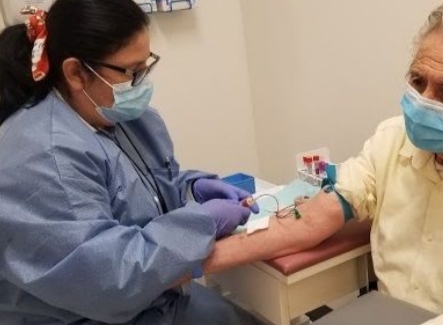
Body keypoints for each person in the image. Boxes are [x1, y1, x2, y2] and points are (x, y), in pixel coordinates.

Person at [202, 1, 443, 324]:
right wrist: (195, 260)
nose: (422, 102)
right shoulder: (394, 138)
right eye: (418, 81)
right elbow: (323, 212)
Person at [0, 0, 265, 324]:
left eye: (146, 66)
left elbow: (143, 188)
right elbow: (111, 278)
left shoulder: (121, 119)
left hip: (155, 300)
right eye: (132, 72)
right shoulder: (43, 156)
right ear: (76, 73)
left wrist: (192, 189)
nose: (142, 83)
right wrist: (202, 223)